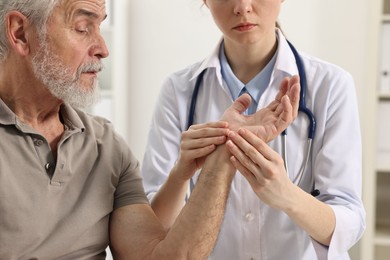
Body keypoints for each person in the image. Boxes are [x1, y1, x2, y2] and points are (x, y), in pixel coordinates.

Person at [0, 0, 300, 259]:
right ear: (20, 33)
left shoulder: (106, 147)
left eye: (100, 27)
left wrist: (224, 154)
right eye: (82, 27)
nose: (103, 49)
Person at [141, 0, 366, 259]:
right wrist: (180, 175)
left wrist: (286, 194)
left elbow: (348, 225)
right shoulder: (178, 90)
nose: (242, 7)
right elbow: (153, 228)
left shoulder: (331, 85)